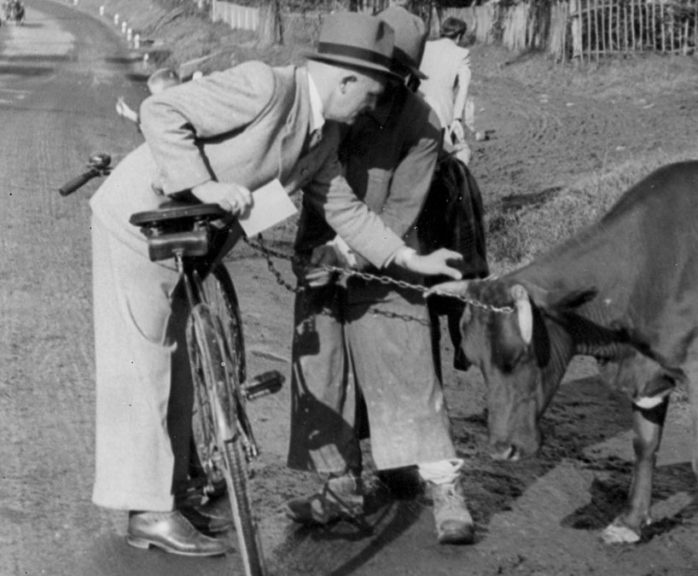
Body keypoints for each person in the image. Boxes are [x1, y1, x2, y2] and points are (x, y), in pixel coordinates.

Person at [88, 12, 463, 558]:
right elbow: (160, 109)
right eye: (368, 97)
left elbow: (345, 209)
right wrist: (205, 185)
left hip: (191, 240)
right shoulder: (266, 86)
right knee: (144, 363)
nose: (368, 111)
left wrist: (407, 256)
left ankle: (170, 493)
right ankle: (146, 511)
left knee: (176, 363)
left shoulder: (326, 134)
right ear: (345, 80)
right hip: (140, 224)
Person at [283, 5, 475, 545]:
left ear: (404, 78)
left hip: (390, 259)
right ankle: (341, 487)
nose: (374, 92)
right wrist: (320, 254)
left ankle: (445, 488)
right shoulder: (330, 103)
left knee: (407, 369)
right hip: (319, 250)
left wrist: (353, 255)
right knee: (322, 369)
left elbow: (400, 211)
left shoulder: (422, 127)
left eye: (388, 80)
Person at [418, 17, 472, 164]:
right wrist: (457, 118)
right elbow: (463, 88)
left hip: (418, 108)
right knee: (446, 158)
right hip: (443, 113)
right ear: (460, 36)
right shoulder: (461, 53)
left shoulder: (425, 47)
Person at [116, 68, 182, 127]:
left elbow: (156, 127)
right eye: (152, 95)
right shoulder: (168, 108)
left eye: (156, 96)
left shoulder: (177, 115)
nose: (153, 99)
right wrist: (128, 113)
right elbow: (152, 123)